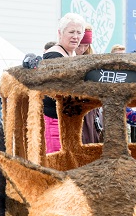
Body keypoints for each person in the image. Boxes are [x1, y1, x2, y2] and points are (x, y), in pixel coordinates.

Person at [42, 12, 86, 153]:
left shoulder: (70, 54)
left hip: (66, 119)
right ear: (60, 33)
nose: (75, 36)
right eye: (71, 32)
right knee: (57, 161)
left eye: (79, 32)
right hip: (54, 119)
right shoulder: (54, 55)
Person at [75, 25, 103, 144]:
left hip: (91, 111)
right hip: (76, 109)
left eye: (86, 45)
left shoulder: (93, 62)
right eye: (79, 45)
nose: (81, 49)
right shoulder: (66, 57)